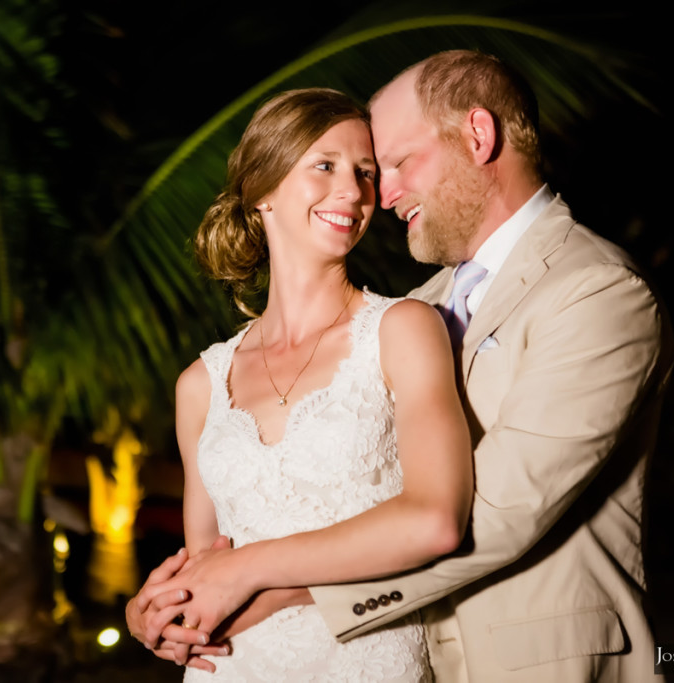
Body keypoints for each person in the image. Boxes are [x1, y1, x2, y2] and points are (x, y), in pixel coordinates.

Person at [129, 51, 674, 682]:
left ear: (478, 136)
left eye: (389, 165)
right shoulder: (421, 307)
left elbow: (491, 515)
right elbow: (208, 555)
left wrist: (256, 583)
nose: (378, 196)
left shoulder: (597, 291)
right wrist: (163, 608)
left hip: (535, 663)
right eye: (344, 167)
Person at [136, 87, 474, 680]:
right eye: (325, 166)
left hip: (366, 661)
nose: (353, 191)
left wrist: (251, 570)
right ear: (262, 190)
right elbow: (203, 569)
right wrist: (153, 616)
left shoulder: (404, 330)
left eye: (365, 172)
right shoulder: (201, 384)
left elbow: (435, 520)